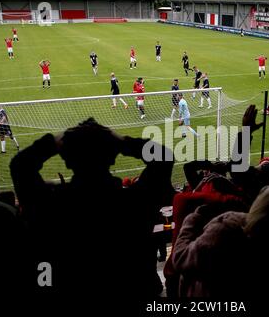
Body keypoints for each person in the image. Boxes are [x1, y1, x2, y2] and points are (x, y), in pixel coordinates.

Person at [9, 117, 175, 297]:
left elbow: (20, 165)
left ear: (67, 160)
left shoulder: (52, 205)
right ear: (112, 157)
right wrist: (120, 141)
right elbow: (164, 157)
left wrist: (59, 140)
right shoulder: (133, 201)